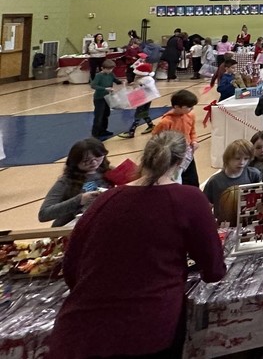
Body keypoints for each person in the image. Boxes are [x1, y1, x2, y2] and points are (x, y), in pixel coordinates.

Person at [47, 132, 226, 359]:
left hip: (79, 332)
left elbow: (72, 267)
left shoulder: (106, 199)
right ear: (181, 161)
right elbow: (213, 270)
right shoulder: (188, 198)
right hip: (146, 330)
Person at [39, 139, 111, 227]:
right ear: (75, 162)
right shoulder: (66, 181)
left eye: (98, 157)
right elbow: (43, 214)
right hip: (71, 228)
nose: (94, 162)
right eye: (86, 161)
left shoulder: (108, 171)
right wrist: (79, 200)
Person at [203, 139, 261, 224]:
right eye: (237, 158)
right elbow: (206, 206)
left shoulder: (254, 175)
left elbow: (260, 197)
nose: (242, 162)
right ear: (227, 158)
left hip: (248, 222)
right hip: (224, 225)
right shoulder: (214, 181)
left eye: (246, 158)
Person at [153, 90, 201, 187]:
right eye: (188, 107)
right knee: (175, 180)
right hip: (172, 156)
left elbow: (192, 131)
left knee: (192, 180)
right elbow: (156, 138)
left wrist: (194, 140)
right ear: (176, 107)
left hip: (187, 154)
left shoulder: (190, 116)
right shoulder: (166, 122)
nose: (191, 109)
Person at [117, 63, 158, 138]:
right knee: (144, 112)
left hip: (145, 98)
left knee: (138, 114)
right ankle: (151, 125)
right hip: (145, 97)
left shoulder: (148, 79)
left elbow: (147, 86)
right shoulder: (145, 78)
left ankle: (131, 132)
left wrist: (138, 85)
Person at [90, 59, 122, 138]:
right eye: (108, 69)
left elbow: (116, 80)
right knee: (99, 116)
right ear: (102, 68)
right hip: (99, 98)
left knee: (106, 114)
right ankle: (95, 133)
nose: (110, 71)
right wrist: (105, 89)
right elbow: (93, 85)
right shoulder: (99, 76)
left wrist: (121, 82)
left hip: (108, 98)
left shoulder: (111, 74)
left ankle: (103, 130)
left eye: (111, 69)